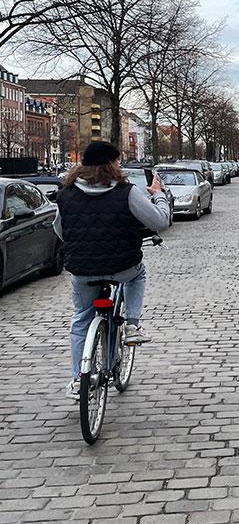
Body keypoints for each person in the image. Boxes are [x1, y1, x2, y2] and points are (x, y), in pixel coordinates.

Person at [55, 141, 171, 400]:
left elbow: (60, 231)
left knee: (81, 318)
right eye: (117, 161)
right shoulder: (126, 192)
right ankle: (131, 324)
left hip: (82, 269)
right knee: (137, 274)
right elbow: (160, 221)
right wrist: (158, 194)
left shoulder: (66, 192)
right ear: (111, 164)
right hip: (122, 267)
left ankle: (77, 379)